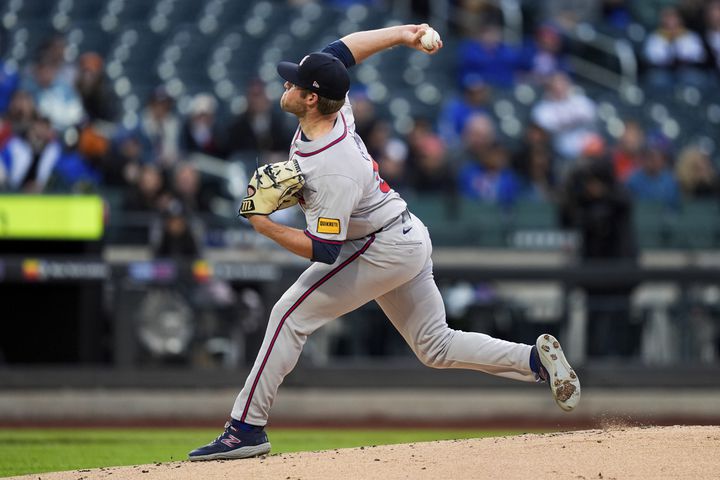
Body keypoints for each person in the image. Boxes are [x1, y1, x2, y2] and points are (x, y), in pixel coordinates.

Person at [188, 24, 581, 462]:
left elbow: (324, 250)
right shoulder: (336, 110)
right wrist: (404, 34)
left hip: (379, 246)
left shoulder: (333, 168)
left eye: (293, 82)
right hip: (402, 233)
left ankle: (246, 427)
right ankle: (533, 361)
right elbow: (340, 51)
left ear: (312, 98)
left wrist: (264, 225)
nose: (286, 84)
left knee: (288, 316)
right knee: (435, 346)